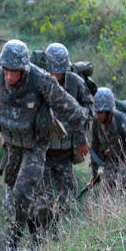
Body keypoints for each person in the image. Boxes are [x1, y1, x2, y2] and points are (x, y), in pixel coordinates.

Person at [0, 39, 89, 251]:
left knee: (22, 191)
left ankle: (18, 244)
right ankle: (14, 241)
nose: (9, 76)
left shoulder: (41, 81)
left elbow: (72, 109)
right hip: (12, 146)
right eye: (7, 70)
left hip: (36, 147)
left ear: (24, 69)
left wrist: (81, 138)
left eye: (14, 72)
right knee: (11, 201)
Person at [42, 43, 93, 228]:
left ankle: (57, 225)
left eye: (60, 71)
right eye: (52, 71)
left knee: (68, 194)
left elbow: (89, 108)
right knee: (43, 199)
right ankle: (44, 234)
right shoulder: (38, 81)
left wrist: (77, 118)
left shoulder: (75, 82)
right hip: (42, 153)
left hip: (64, 153)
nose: (56, 75)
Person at [90, 87, 126, 193]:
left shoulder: (122, 121)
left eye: (100, 112)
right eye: (96, 112)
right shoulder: (96, 122)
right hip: (110, 163)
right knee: (107, 188)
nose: (97, 115)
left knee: (123, 189)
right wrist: (95, 176)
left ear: (108, 111)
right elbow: (95, 148)